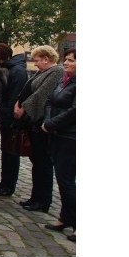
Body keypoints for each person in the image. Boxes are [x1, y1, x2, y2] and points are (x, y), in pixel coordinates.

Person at [13, 45, 64, 213]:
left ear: (46, 58)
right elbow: (28, 89)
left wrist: (24, 108)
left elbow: (41, 95)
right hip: (32, 122)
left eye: (37, 60)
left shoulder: (55, 72)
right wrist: (18, 101)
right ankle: (35, 196)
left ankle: (43, 200)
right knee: (37, 162)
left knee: (43, 163)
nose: (35, 64)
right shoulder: (42, 72)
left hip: (41, 122)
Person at [42, 48, 76, 242]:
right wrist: (48, 121)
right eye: (66, 59)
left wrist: (53, 123)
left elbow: (74, 110)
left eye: (71, 60)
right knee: (62, 179)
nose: (66, 62)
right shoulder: (64, 81)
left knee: (67, 180)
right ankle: (65, 217)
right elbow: (49, 101)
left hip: (70, 136)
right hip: (56, 133)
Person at [0, 44, 28, 196]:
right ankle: (4, 182)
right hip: (6, 115)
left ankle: (8, 184)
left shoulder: (17, 71)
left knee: (11, 153)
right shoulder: (12, 68)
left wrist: (7, 115)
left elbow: (13, 96)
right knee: (6, 151)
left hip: (10, 118)